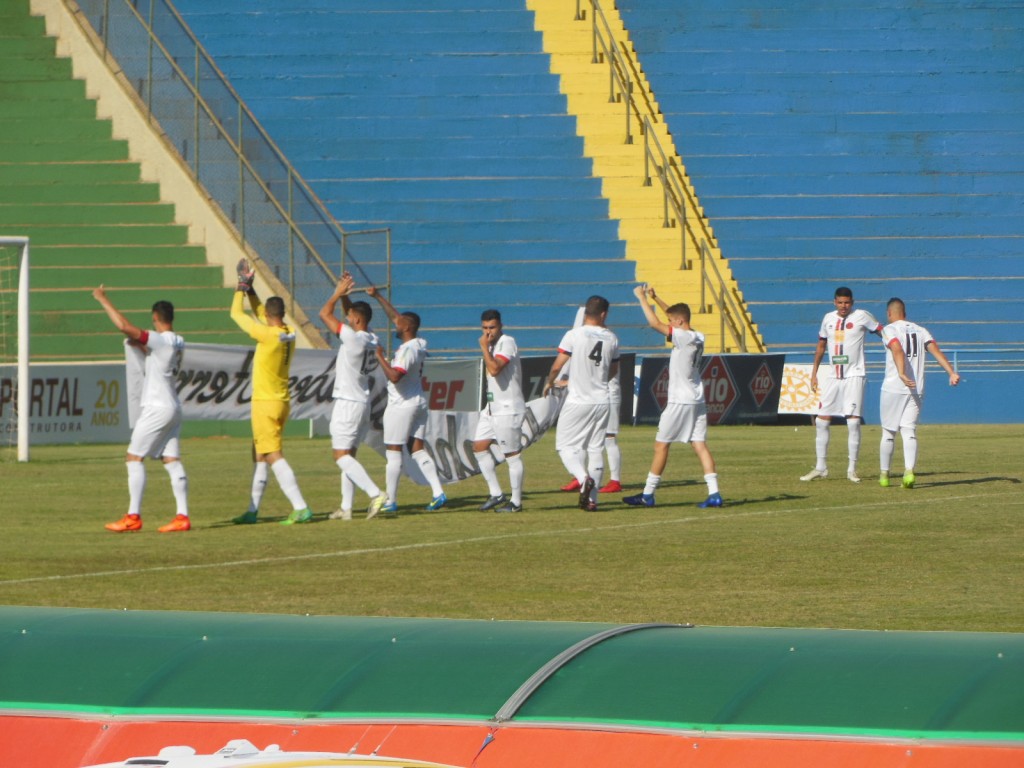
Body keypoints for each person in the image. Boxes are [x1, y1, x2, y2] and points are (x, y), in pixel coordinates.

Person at [92, 285, 190, 533]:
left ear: (156, 319)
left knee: (133, 457)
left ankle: (133, 516)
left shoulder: (160, 339)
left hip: (157, 407)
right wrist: (142, 348)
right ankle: (182, 516)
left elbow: (125, 327)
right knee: (171, 459)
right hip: (173, 406)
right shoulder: (178, 341)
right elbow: (156, 354)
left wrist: (103, 299)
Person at [229, 259, 314, 525]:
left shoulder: (266, 335)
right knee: (260, 454)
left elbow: (237, 314)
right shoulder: (288, 332)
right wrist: (252, 290)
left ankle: (300, 507)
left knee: (273, 454)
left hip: (265, 403)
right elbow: (260, 312)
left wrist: (240, 288)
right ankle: (253, 511)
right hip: (281, 400)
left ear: (267, 316)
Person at [623, 285, 722, 508]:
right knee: (700, 445)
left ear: (678, 323)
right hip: (697, 399)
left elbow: (655, 324)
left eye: (672, 322)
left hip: (680, 400)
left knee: (661, 446)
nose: (670, 324)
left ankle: (647, 495)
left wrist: (642, 299)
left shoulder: (683, 338)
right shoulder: (697, 335)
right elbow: (674, 316)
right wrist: (657, 298)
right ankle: (714, 493)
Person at [368, 285, 447, 514]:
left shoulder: (406, 351)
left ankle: (391, 501)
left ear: (408, 327)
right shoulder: (419, 343)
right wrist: (378, 296)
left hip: (402, 405)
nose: (396, 322)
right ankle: (438, 493)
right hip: (418, 402)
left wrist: (380, 356)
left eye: (400, 321)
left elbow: (394, 376)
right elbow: (396, 316)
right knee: (417, 449)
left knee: (393, 451)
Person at [318, 272, 388, 520]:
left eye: (349, 316)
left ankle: (376, 493)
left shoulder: (353, 339)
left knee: (340, 456)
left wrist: (337, 293)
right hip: (362, 403)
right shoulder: (372, 338)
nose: (346, 318)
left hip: (348, 403)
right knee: (350, 455)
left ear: (356, 319)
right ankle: (346, 508)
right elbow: (354, 319)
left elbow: (324, 314)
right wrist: (347, 299)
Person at [543, 295, 619, 512]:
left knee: (564, 447)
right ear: (604, 314)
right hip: (602, 400)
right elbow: (614, 370)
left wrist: (550, 383)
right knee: (596, 449)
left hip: (578, 400)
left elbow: (558, 366)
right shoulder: (612, 338)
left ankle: (583, 479)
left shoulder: (574, 335)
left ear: (586, 312)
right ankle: (592, 500)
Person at [800, 286, 882, 483]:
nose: (843, 306)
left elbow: (881, 331)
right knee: (821, 420)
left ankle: (852, 469)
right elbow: (821, 346)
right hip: (833, 377)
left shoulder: (862, 316)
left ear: (852, 302)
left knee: (853, 422)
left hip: (854, 375)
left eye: (847, 302)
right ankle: (821, 467)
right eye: (840, 302)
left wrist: (895, 346)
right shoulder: (828, 318)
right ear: (834, 302)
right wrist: (814, 373)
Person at [878, 297, 961, 489]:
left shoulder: (888, 329)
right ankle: (909, 471)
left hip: (894, 387)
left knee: (889, 432)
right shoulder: (921, 330)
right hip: (916, 388)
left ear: (889, 313)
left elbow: (897, 349)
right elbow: (936, 351)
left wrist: (900, 372)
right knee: (909, 430)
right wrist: (951, 372)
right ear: (905, 313)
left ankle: (884, 474)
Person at [473, 309, 526, 513]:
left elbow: (495, 369)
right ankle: (496, 494)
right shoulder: (492, 344)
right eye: (485, 328)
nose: (488, 332)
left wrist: (484, 347)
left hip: (508, 408)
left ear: (500, 326)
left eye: (492, 327)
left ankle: (516, 503)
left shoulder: (507, 342)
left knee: (512, 455)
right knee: (479, 446)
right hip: (492, 408)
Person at [559, 367, 623, 494]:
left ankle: (615, 481)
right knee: (583, 437)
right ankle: (580, 477)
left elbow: (602, 371)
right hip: (590, 397)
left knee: (609, 438)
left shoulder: (608, 347)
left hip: (608, 395)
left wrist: (569, 382)